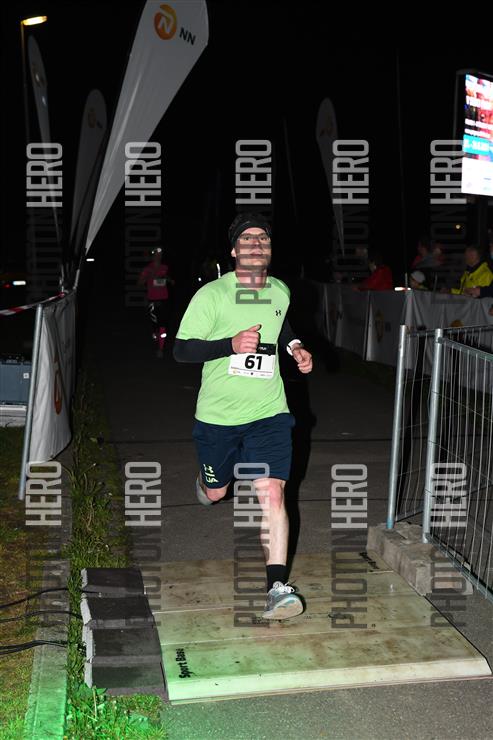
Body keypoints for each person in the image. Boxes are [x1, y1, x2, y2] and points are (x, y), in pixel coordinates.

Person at [173, 213, 313, 620]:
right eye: (247, 239)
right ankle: (207, 482)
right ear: (234, 251)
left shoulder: (280, 290)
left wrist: (295, 348)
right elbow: (182, 350)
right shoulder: (212, 295)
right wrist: (230, 345)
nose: (256, 244)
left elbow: (281, 324)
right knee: (218, 492)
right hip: (218, 416)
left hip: (269, 411)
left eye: (263, 239)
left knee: (273, 493)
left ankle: (276, 588)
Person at [138, 247, 173, 358]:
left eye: (160, 254)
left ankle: (160, 348)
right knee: (155, 326)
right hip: (152, 301)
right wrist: (147, 278)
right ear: (153, 256)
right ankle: (156, 338)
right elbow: (139, 283)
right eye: (157, 254)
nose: (159, 256)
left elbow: (171, 281)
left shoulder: (165, 267)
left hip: (164, 300)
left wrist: (168, 280)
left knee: (163, 326)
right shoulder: (147, 269)